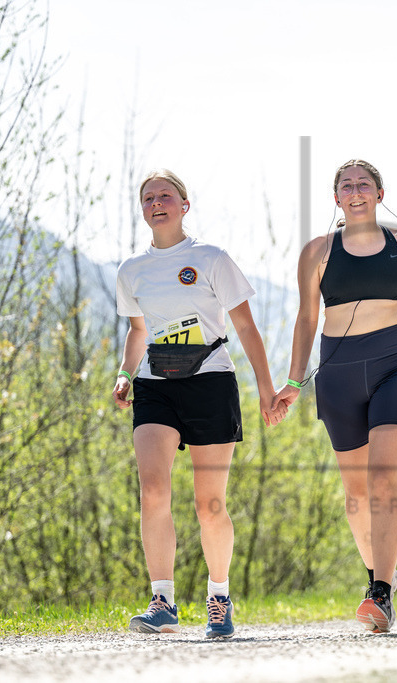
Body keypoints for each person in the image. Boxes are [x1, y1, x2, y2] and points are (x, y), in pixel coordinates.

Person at [113, 169, 285, 638]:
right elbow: (136, 330)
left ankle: (219, 598)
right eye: (147, 197)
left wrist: (266, 390)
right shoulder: (131, 270)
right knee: (152, 490)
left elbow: (246, 328)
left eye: (165, 195)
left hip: (210, 381)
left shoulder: (211, 259)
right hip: (155, 384)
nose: (156, 203)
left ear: (184, 205)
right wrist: (126, 374)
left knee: (209, 504)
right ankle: (163, 601)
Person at [273, 159, 397, 633]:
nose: (355, 191)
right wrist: (293, 380)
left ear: (379, 193)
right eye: (345, 186)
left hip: (396, 364)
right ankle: (379, 573)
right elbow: (306, 318)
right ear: (336, 199)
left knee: (384, 480)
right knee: (356, 493)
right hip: (339, 373)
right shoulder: (317, 252)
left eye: (363, 184)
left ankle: (381, 594)